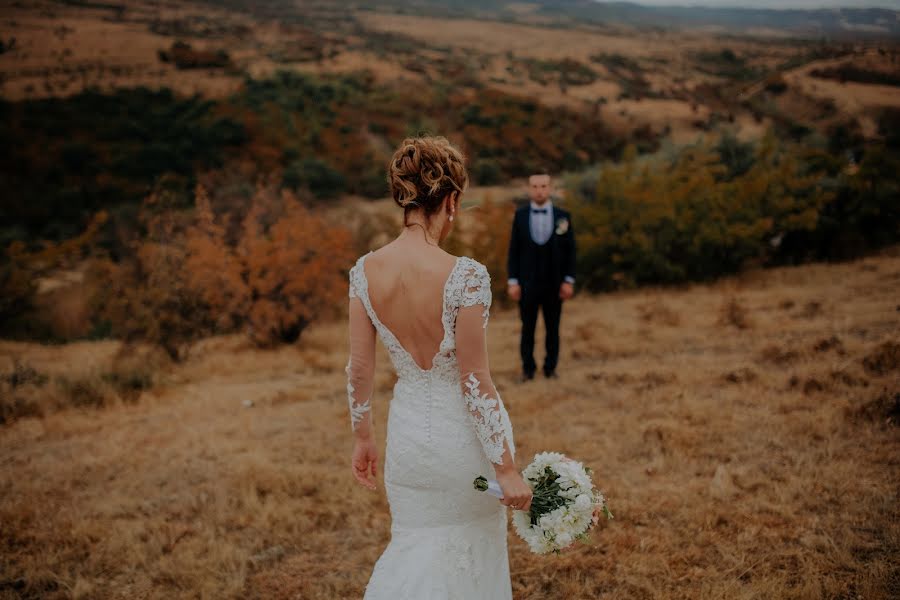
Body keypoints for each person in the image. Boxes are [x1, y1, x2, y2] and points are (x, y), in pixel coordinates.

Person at [346, 136, 532, 599]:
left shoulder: (365, 271)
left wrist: (363, 436)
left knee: (413, 547)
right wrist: (506, 467)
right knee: (469, 560)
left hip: (407, 443)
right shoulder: (465, 275)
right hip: (462, 448)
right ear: (451, 201)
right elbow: (475, 380)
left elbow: (358, 369)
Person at [506, 171, 576, 381]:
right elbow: (514, 251)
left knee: (553, 329)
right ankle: (528, 370)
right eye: (535, 186)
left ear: (550, 188)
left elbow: (570, 251)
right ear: (529, 189)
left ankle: (550, 368)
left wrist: (568, 280)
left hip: (555, 284)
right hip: (527, 284)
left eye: (544, 186)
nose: (539, 190)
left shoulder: (563, 217)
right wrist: (513, 281)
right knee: (527, 329)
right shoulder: (520, 216)